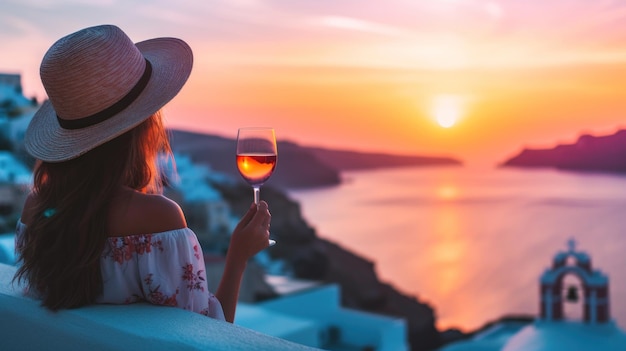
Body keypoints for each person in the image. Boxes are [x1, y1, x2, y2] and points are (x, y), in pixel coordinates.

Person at [13, 24, 271, 323]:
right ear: (143, 126)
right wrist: (238, 256)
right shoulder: (158, 217)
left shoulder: (35, 209)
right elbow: (204, 330)